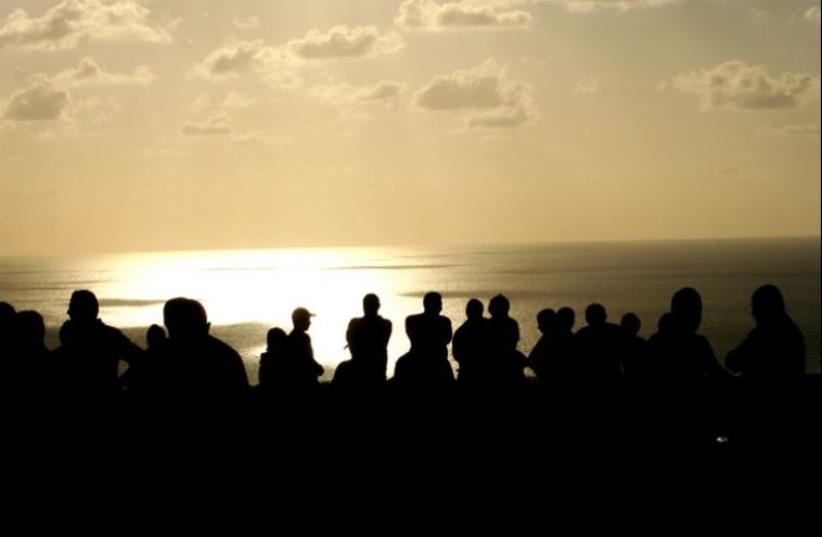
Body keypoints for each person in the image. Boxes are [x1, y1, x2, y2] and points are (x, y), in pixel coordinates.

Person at [57, 290, 143, 399]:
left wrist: (119, 384)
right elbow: (141, 359)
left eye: (72, 307)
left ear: (82, 311)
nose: (68, 312)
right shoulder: (111, 335)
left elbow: (141, 360)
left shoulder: (110, 336)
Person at [725, 285, 805, 382]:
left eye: (756, 308)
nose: (753, 313)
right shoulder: (794, 334)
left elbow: (732, 363)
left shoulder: (762, 336)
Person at [345, 294, 392, 383]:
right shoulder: (385, 324)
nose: (368, 308)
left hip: (375, 369)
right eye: (367, 305)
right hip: (368, 367)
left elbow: (380, 345)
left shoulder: (385, 324)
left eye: (370, 305)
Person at [453, 298, 489, 386]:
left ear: (467, 312)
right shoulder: (491, 326)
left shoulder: (461, 331)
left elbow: (456, 355)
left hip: (467, 375)